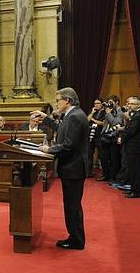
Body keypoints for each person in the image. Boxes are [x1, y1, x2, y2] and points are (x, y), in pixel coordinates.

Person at [31, 87, 89, 250]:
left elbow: (69, 145)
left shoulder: (76, 117)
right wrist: (46, 118)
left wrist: (49, 150)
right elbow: (61, 129)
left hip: (74, 169)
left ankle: (76, 240)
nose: (56, 103)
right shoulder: (72, 115)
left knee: (72, 205)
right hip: (72, 168)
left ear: (67, 100)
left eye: (58, 100)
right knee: (71, 204)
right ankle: (75, 237)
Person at [118, 97, 140, 198]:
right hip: (132, 146)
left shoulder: (139, 115)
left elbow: (131, 130)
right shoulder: (136, 114)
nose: (129, 105)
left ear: (138, 105)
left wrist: (122, 138)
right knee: (131, 169)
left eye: (131, 104)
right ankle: (133, 189)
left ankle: (136, 191)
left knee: (136, 170)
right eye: (128, 103)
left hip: (135, 147)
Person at [87, 98, 106, 178]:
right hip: (91, 136)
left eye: (98, 103)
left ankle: (104, 173)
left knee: (102, 155)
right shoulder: (93, 112)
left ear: (102, 104)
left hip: (100, 136)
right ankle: (88, 172)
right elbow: (87, 120)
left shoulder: (104, 112)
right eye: (95, 103)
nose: (96, 105)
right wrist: (92, 113)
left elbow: (103, 123)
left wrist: (93, 120)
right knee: (89, 154)